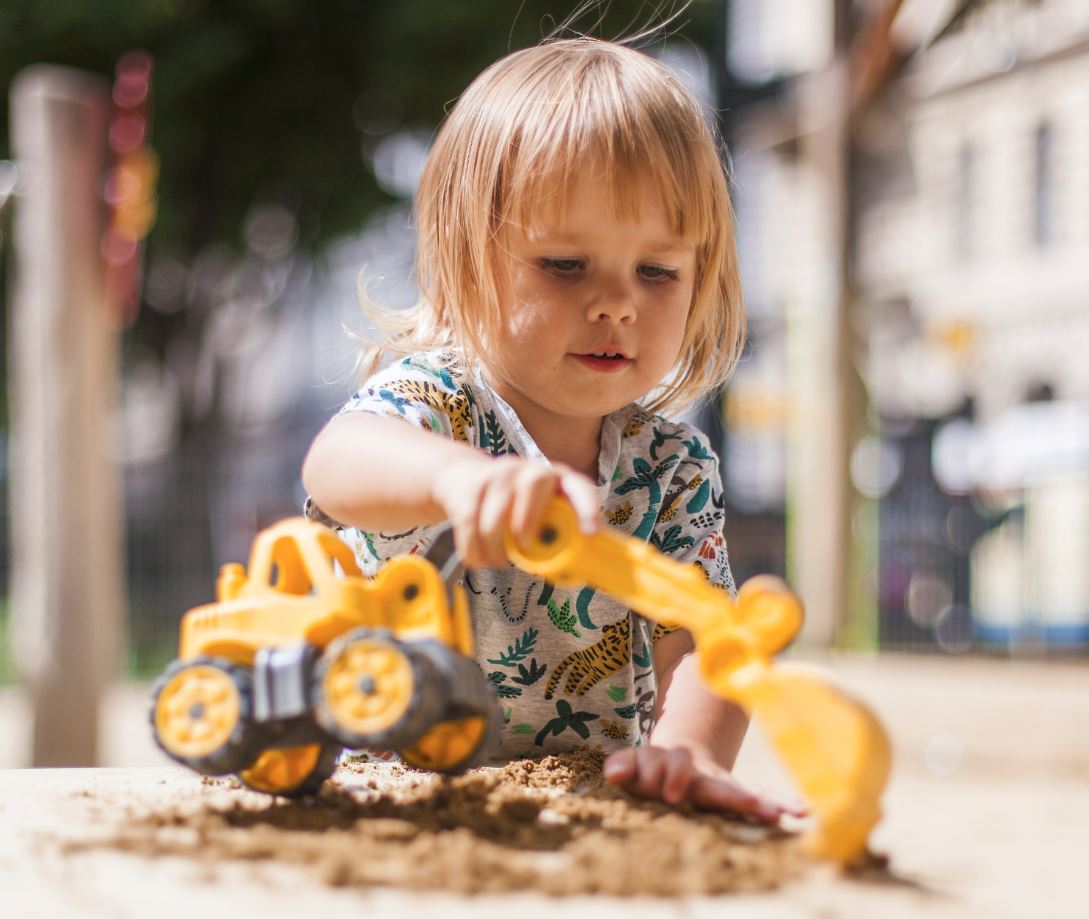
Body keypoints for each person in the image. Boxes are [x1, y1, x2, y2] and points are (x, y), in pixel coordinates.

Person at [301, 36, 799, 825]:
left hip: (585, 800)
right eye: (566, 264)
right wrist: (459, 478)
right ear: (466, 258)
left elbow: (706, 638)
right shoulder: (442, 407)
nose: (616, 303)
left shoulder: (669, 467)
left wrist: (690, 750)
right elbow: (337, 461)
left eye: (657, 271)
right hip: (391, 794)